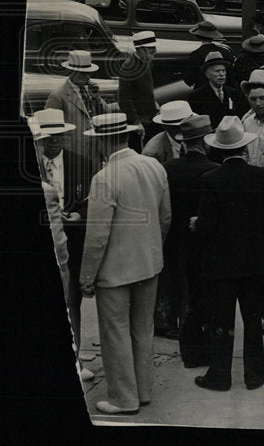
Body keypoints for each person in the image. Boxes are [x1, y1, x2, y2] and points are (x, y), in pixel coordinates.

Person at [79, 113, 172, 415]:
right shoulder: (153, 166)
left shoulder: (104, 179)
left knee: (115, 334)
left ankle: (123, 397)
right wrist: (153, 247)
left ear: (103, 142)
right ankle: (143, 391)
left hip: (114, 271)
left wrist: (87, 277)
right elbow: (165, 217)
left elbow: (96, 237)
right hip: (149, 262)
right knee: (143, 329)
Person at [191, 116, 264, 392]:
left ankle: (219, 375)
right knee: (253, 318)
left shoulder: (210, 179)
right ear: (245, 149)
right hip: (256, 261)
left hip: (222, 263)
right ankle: (256, 373)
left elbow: (207, 224)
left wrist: (197, 223)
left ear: (219, 150)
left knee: (222, 318)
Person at [29, 108, 96, 381]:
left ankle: (76, 358)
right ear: (38, 140)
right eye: (48, 137)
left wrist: (80, 214)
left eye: (58, 136)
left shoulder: (82, 164)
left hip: (72, 245)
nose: (54, 141)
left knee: (72, 302)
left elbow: (94, 202)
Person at [160, 115, 218, 365]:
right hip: (206, 243)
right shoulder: (214, 170)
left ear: (184, 143)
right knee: (205, 295)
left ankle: (189, 350)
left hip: (176, 240)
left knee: (181, 292)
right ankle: (207, 346)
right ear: (206, 142)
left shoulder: (169, 168)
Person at [44, 49, 113, 160]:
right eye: (83, 73)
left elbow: (107, 114)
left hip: (95, 151)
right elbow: (50, 131)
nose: (87, 77)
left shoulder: (89, 90)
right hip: (74, 154)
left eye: (89, 73)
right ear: (71, 72)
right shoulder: (58, 96)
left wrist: (97, 99)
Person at [117, 31, 158, 148]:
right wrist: (136, 122)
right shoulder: (129, 67)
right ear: (140, 49)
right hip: (138, 125)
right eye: (151, 48)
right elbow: (124, 100)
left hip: (149, 119)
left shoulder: (147, 62)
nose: (155, 51)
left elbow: (145, 90)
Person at [187, 52, 244, 129]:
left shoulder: (234, 93)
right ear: (207, 74)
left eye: (223, 70)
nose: (221, 74)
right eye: (217, 71)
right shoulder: (196, 96)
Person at [239, 69, 264, 171]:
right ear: (247, 98)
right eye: (253, 99)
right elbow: (244, 154)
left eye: (262, 98)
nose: (258, 103)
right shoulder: (247, 122)